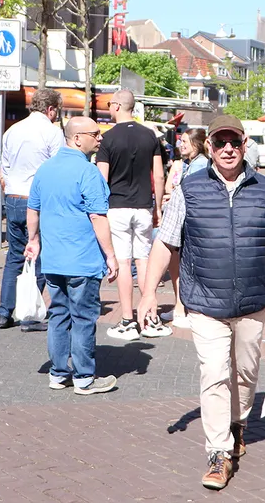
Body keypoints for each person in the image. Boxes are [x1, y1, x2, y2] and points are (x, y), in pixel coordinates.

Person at [137, 114, 265, 491]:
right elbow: (166, 242)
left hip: (252, 300)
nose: (228, 149)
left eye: (234, 142)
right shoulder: (189, 188)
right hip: (204, 300)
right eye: (220, 143)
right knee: (214, 373)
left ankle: (238, 423)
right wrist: (149, 292)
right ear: (210, 147)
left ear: (244, 143)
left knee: (246, 373)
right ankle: (218, 452)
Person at [25, 116, 119, 395]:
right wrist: (111, 256)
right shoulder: (88, 172)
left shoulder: (46, 169)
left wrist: (34, 240)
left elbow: (33, 210)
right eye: (95, 133)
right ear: (78, 138)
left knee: (58, 315)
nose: (100, 138)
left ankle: (58, 373)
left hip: (53, 259)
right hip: (83, 259)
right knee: (83, 318)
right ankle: (84, 378)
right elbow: (97, 217)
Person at [97, 89, 168, 341]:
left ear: (116, 106)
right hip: (143, 206)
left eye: (109, 104)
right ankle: (149, 317)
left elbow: (101, 179)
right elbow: (159, 176)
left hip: (117, 207)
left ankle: (127, 320)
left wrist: (99, 210)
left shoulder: (108, 139)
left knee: (124, 263)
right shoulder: (150, 135)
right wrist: (157, 207)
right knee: (144, 260)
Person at [0, 88, 64, 330]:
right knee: (39, 255)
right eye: (57, 110)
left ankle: (5, 311)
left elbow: (4, 168)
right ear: (50, 109)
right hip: (37, 200)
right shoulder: (52, 132)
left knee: (14, 256)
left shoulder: (12, 130)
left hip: (13, 197)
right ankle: (28, 313)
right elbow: (57, 169)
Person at [159, 128, 208, 328]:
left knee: (179, 263)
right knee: (177, 262)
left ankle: (186, 307)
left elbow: (192, 194)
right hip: (187, 221)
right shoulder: (189, 164)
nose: (181, 145)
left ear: (196, 144)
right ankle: (182, 306)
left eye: (185, 142)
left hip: (191, 223)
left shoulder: (199, 165)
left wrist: (175, 196)